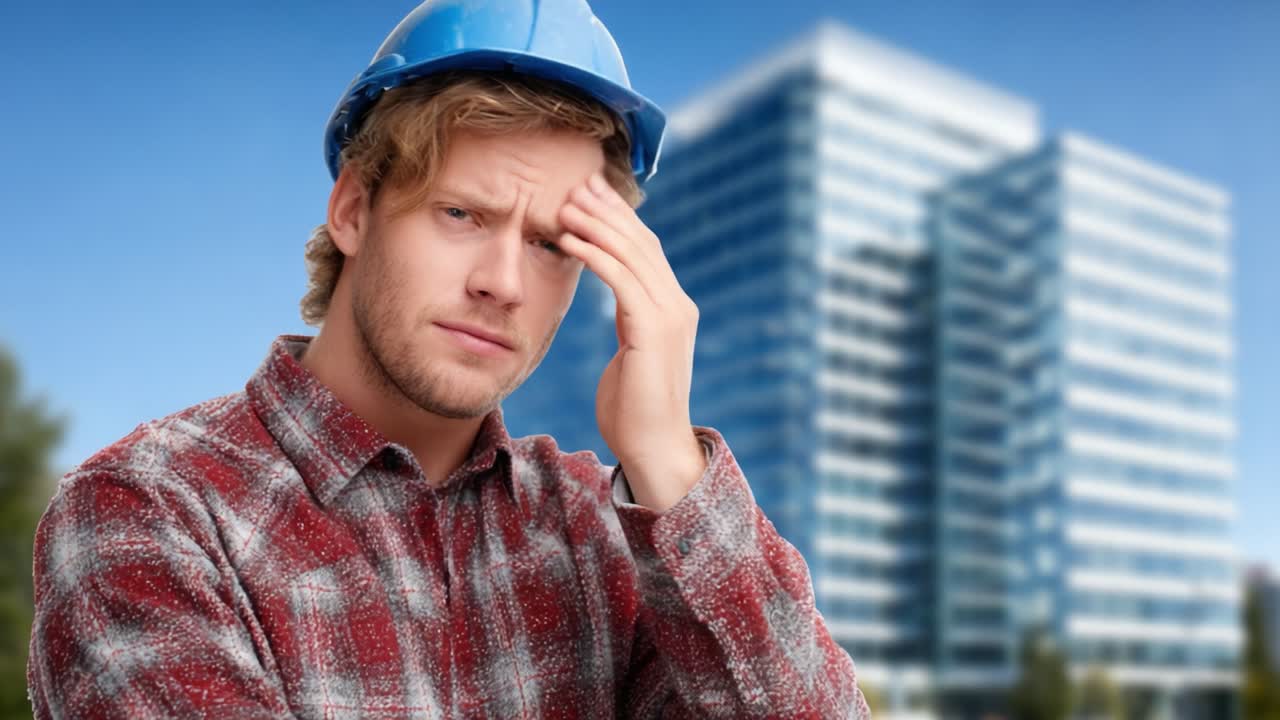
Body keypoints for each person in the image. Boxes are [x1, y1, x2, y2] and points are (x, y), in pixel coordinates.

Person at [27, 1, 870, 717]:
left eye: (550, 244)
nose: (503, 283)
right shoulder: (147, 512)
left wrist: (669, 464)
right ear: (355, 210)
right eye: (461, 213)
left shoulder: (611, 539)